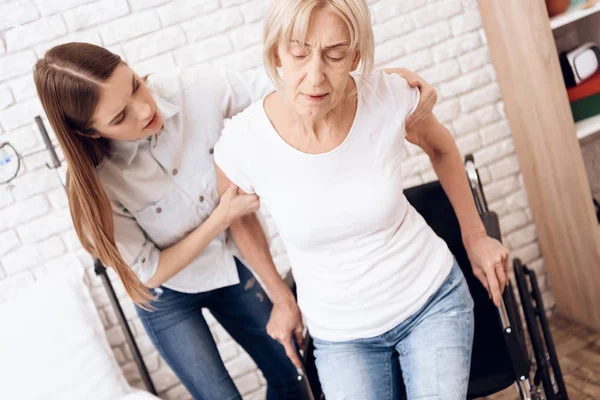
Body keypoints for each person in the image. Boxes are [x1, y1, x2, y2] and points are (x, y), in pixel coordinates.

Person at [33, 42, 436, 400]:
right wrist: (221, 216)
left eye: (136, 85)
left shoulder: (199, 89)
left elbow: (291, 96)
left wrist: (378, 87)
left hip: (226, 264)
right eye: (120, 116)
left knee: (293, 373)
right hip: (166, 296)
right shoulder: (95, 183)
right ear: (88, 133)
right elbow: (150, 272)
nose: (144, 109)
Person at [213, 0, 511, 399]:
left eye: (334, 55)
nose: (315, 76)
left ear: (354, 55)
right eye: (299, 53)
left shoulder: (387, 95)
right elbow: (238, 216)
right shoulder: (244, 141)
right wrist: (280, 297)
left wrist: (475, 237)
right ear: (276, 53)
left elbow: (442, 149)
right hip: (340, 336)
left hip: (431, 300)